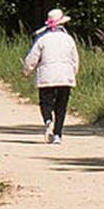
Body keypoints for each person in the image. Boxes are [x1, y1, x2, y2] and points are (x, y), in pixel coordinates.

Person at [22, 8, 79, 143]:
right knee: (61, 105)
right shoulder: (68, 39)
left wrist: (27, 71)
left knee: (46, 102)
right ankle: (58, 134)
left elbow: (32, 58)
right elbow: (75, 60)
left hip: (46, 76)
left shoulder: (42, 39)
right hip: (65, 77)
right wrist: (73, 74)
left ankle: (48, 120)